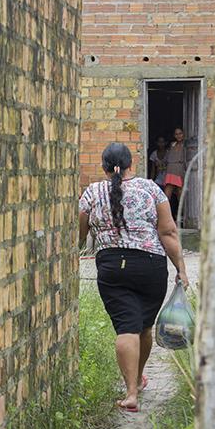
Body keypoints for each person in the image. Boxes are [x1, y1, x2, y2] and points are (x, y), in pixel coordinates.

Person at [79, 142, 189, 413]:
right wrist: (181, 269)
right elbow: (168, 232)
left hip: (112, 268)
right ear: (131, 165)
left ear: (104, 167)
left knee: (126, 327)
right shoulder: (151, 189)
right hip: (150, 267)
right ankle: (136, 380)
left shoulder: (92, 193)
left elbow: (79, 235)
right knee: (144, 327)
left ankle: (131, 391)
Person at [163, 128, 188, 204]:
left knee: (180, 194)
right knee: (166, 196)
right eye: (176, 134)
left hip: (179, 170)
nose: (179, 136)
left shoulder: (186, 145)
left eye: (180, 133)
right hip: (170, 170)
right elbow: (167, 158)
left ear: (184, 134)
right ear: (174, 135)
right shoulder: (172, 145)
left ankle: (181, 214)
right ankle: (165, 214)